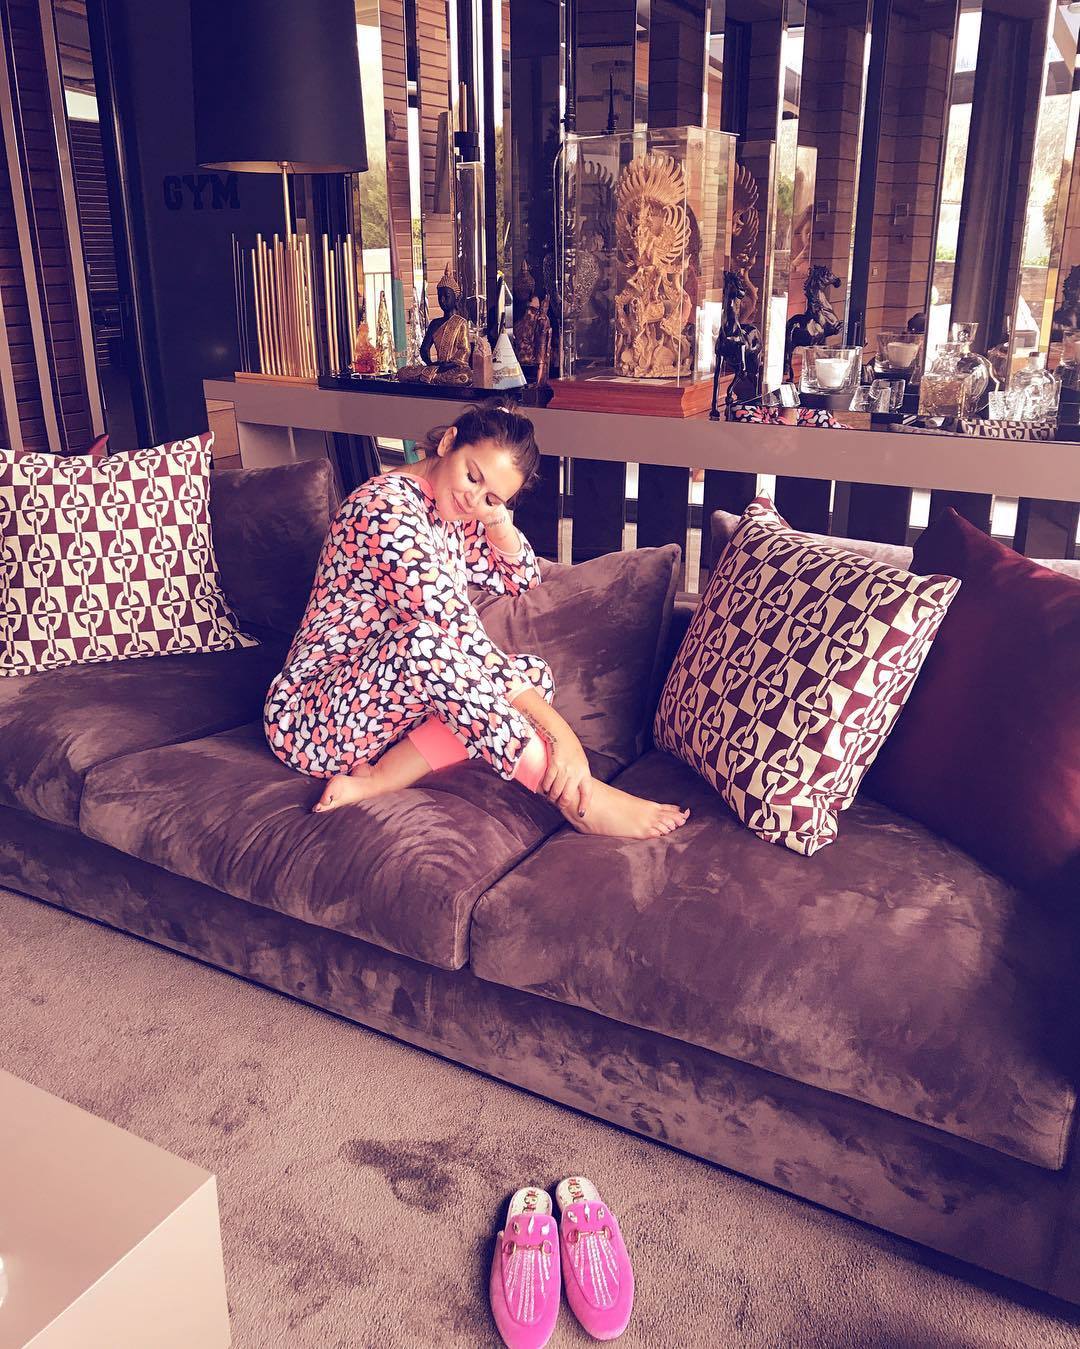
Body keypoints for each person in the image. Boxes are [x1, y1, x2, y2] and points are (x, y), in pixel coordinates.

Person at [263, 399, 691, 840]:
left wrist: (495, 516)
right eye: (473, 475)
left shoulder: (448, 509)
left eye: (491, 496)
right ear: (448, 441)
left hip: (382, 716)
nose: (473, 498)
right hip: (310, 720)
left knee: (531, 674)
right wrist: (561, 737)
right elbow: (457, 636)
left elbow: (520, 580)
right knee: (427, 645)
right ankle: (578, 799)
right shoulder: (383, 511)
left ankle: (381, 777)